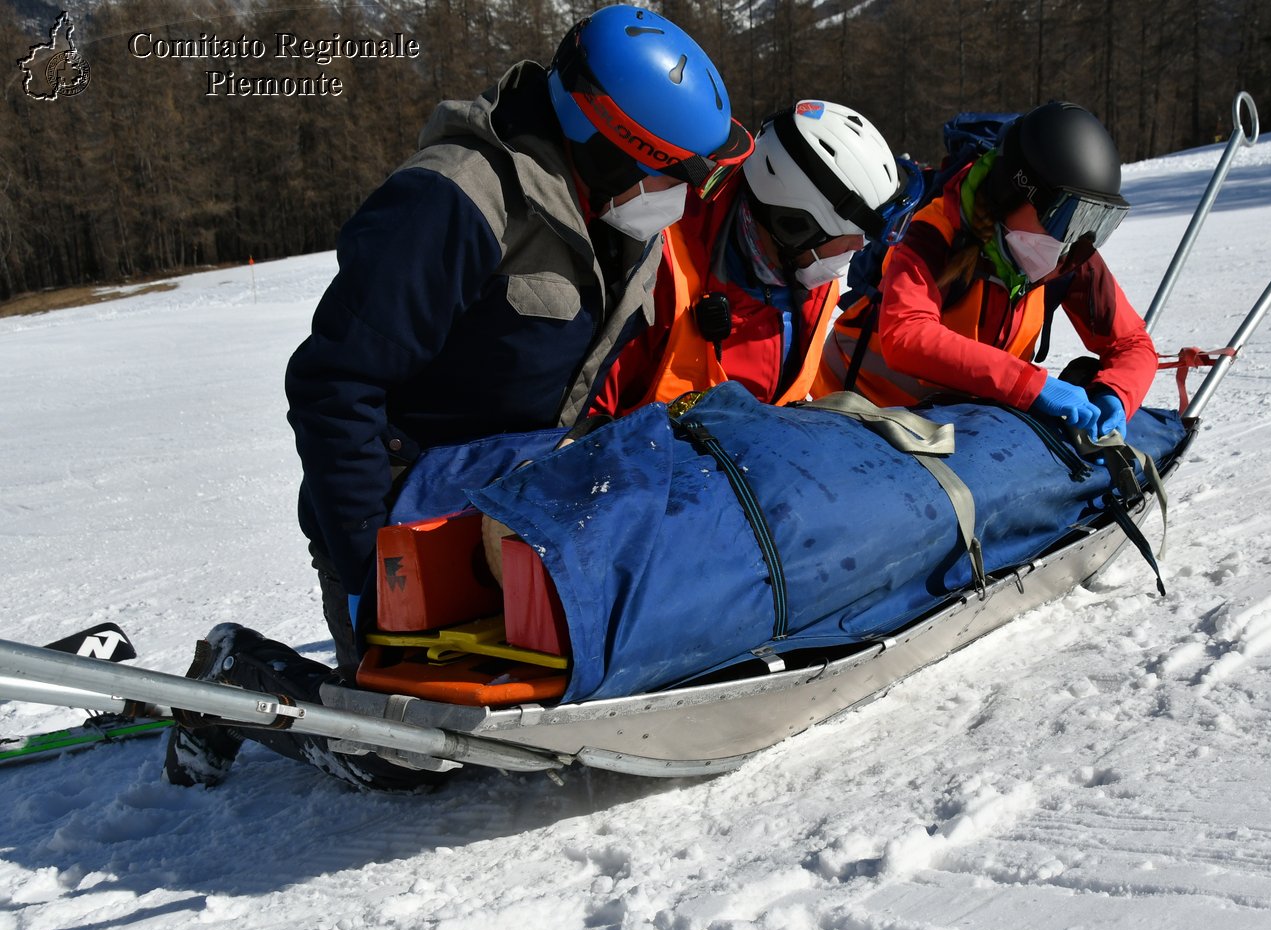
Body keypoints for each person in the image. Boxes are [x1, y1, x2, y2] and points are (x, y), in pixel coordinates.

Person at [165, 4, 750, 790]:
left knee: (531, 699)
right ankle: (240, 678)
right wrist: (374, 569)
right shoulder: (454, 201)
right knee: (401, 754)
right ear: (609, 147)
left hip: (510, 505)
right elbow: (335, 384)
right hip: (403, 513)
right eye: (669, 175)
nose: (679, 198)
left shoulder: (615, 217)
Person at [814, 101, 1156, 441]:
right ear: (1013, 193)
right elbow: (906, 335)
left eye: (1094, 220)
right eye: (1066, 215)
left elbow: (1132, 343)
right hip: (854, 414)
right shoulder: (934, 230)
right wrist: (1026, 383)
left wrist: (1116, 393)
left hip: (945, 428)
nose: (1074, 237)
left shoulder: (1066, 255)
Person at [586, 100, 912, 418]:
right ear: (796, 225)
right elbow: (590, 417)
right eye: (852, 238)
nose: (857, 250)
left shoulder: (813, 286)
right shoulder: (660, 267)